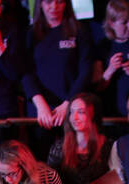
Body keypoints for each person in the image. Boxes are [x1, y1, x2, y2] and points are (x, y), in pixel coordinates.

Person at [24, 0, 94, 131]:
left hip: (72, 109)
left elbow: (85, 71)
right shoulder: (31, 34)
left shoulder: (79, 31)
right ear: (40, 4)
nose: (54, 7)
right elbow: (26, 72)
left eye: (60, 2)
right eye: (49, 2)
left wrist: (68, 103)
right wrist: (40, 104)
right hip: (41, 112)